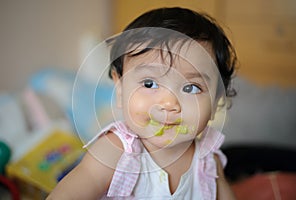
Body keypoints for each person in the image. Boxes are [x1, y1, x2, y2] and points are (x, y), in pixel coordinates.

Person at [47, 7, 237, 199]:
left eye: (191, 88)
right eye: (150, 84)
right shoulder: (117, 152)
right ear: (120, 89)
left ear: (215, 103)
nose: (169, 103)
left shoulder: (208, 160)